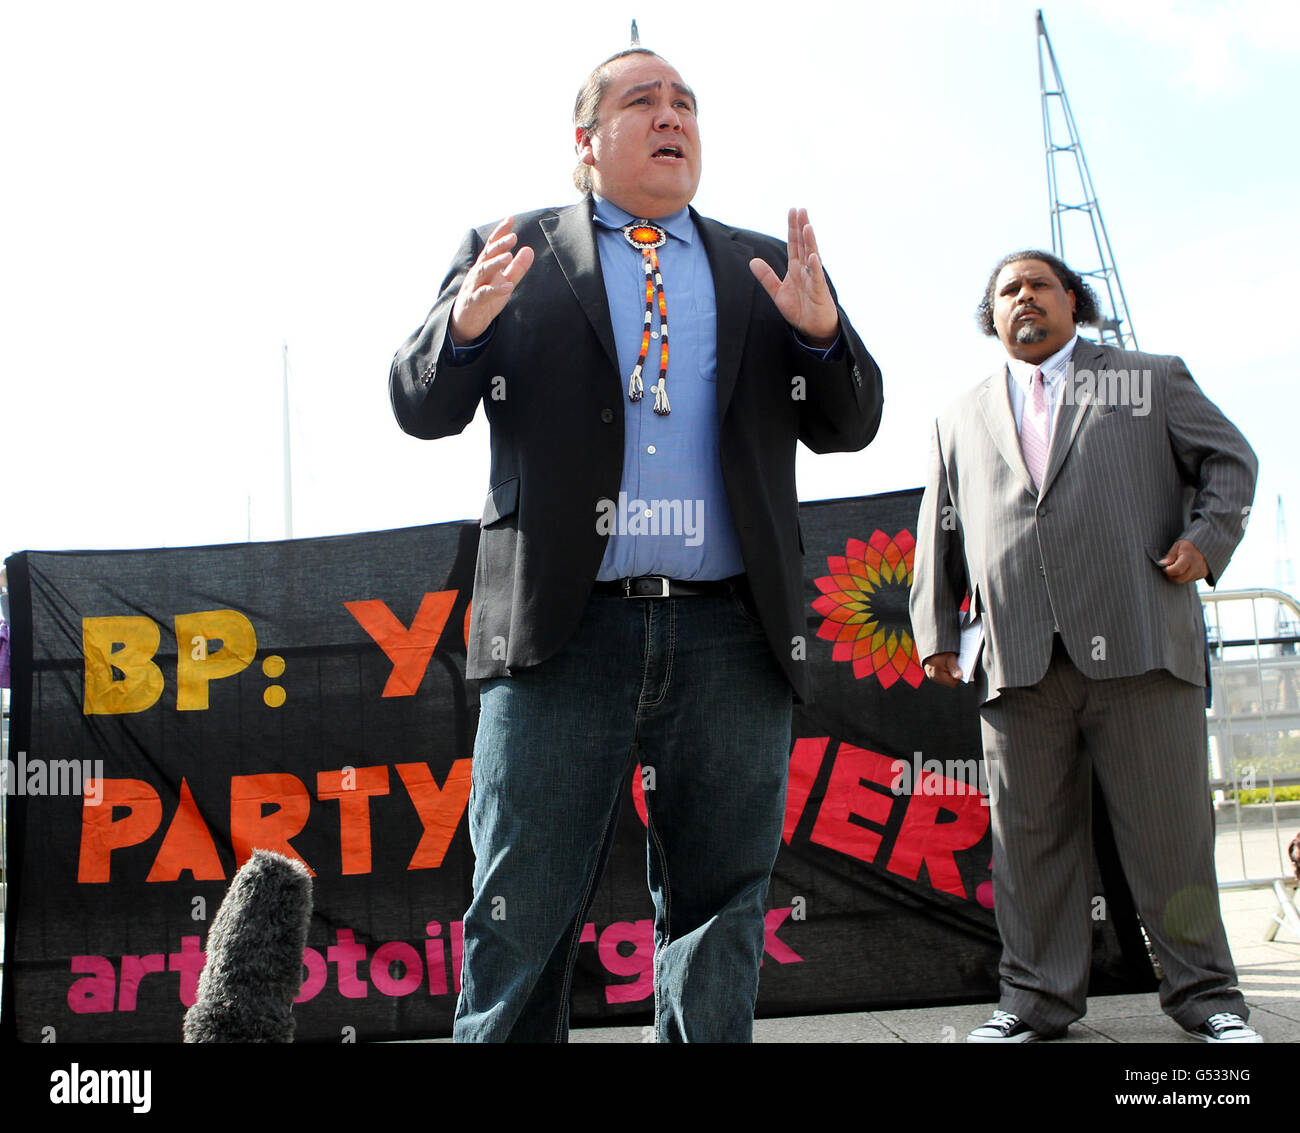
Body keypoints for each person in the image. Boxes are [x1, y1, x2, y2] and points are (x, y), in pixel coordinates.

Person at [389, 45, 883, 1042]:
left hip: (730, 637)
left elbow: (851, 420)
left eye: (686, 103)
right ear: (586, 141)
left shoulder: (759, 266)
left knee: (719, 907)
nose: (673, 116)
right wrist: (469, 327)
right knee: (519, 906)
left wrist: (823, 334)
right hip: (560, 635)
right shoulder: (510, 247)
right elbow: (420, 403)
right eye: (642, 100)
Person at [909, 249, 1259, 1043]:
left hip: (1140, 647)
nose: (1023, 297)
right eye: (1006, 291)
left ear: (1073, 299)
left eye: (1038, 284)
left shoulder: (1151, 377)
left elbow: (1231, 462)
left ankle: (1209, 998)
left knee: (1171, 837)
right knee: (1029, 843)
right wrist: (936, 628)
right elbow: (941, 528)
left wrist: (1207, 538)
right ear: (992, 315)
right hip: (1017, 658)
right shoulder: (958, 415)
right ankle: (1034, 1002)